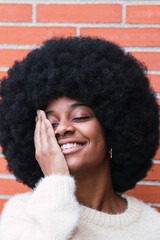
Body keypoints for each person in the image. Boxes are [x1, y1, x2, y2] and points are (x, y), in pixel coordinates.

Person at [0, 36, 159, 240]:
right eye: (51, 123)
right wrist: (56, 180)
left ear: (113, 128)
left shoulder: (152, 227)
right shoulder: (25, 215)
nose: (63, 129)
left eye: (80, 117)